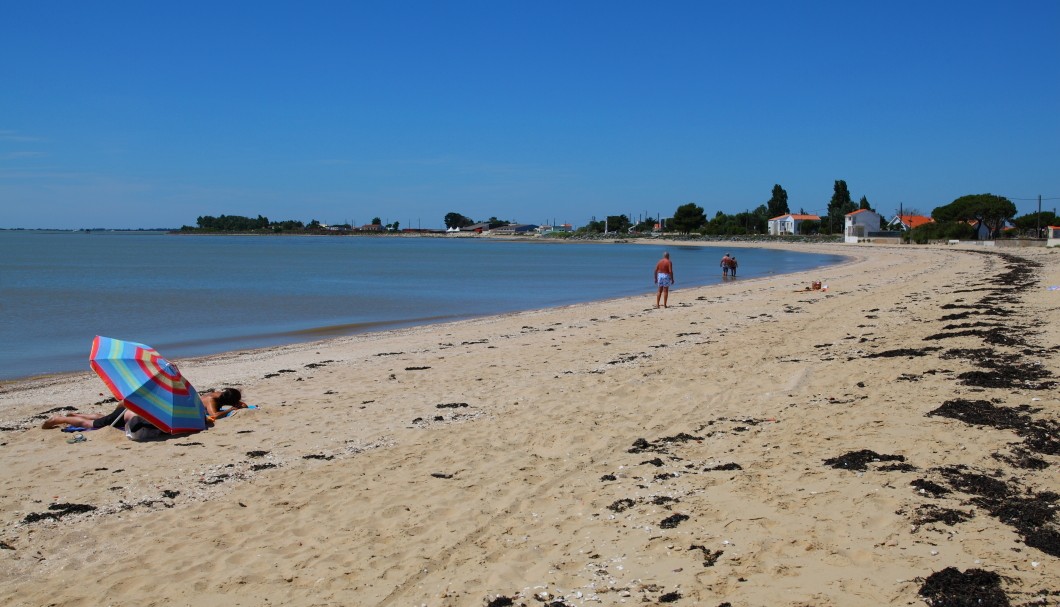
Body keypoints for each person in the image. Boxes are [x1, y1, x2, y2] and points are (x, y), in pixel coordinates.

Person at [42, 388, 243, 430]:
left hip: (131, 405)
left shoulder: (212, 394)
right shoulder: (212, 402)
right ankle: (60, 419)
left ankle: (75, 414)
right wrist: (231, 411)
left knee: (107, 417)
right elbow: (214, 415)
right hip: (135, 411)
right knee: (93, 424)